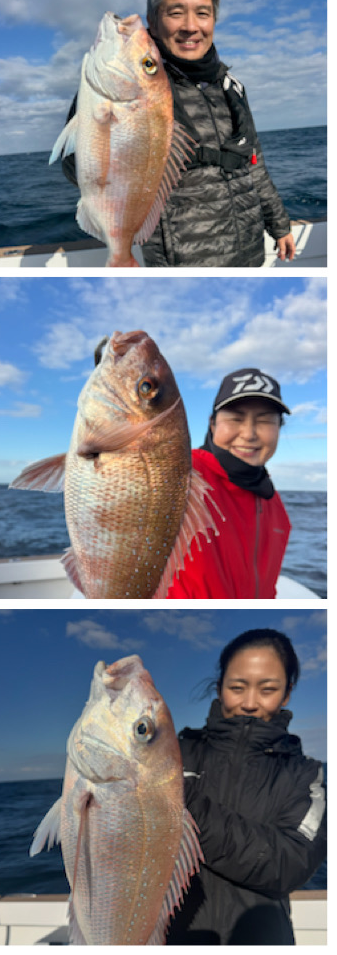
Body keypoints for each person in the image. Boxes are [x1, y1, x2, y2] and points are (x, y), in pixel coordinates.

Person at [60, 0, 294, 267]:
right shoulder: (150, 88)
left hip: (250, 253)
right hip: (183, 263)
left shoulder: (232, 88)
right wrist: (93, 109)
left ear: (214, 19)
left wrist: (279, 225)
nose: (190, 26)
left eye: (203, 13)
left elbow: (254, 164)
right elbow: (76, 169)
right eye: (175, 12)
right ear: (153, 20)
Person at [166, 629, 326, 944]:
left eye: (268, 689)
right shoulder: (174, 755)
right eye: (237, 688)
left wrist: (182, 804)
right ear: (219, 688)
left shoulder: (307, 775)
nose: (250, 703)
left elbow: (289, 863)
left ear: (286, 694)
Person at [168, 368, 290, 598]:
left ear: (279, 428)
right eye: (235, 418)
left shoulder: (275, 504)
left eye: (265, 420)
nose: (249, 434)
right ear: (212, 424)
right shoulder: (178, 474)